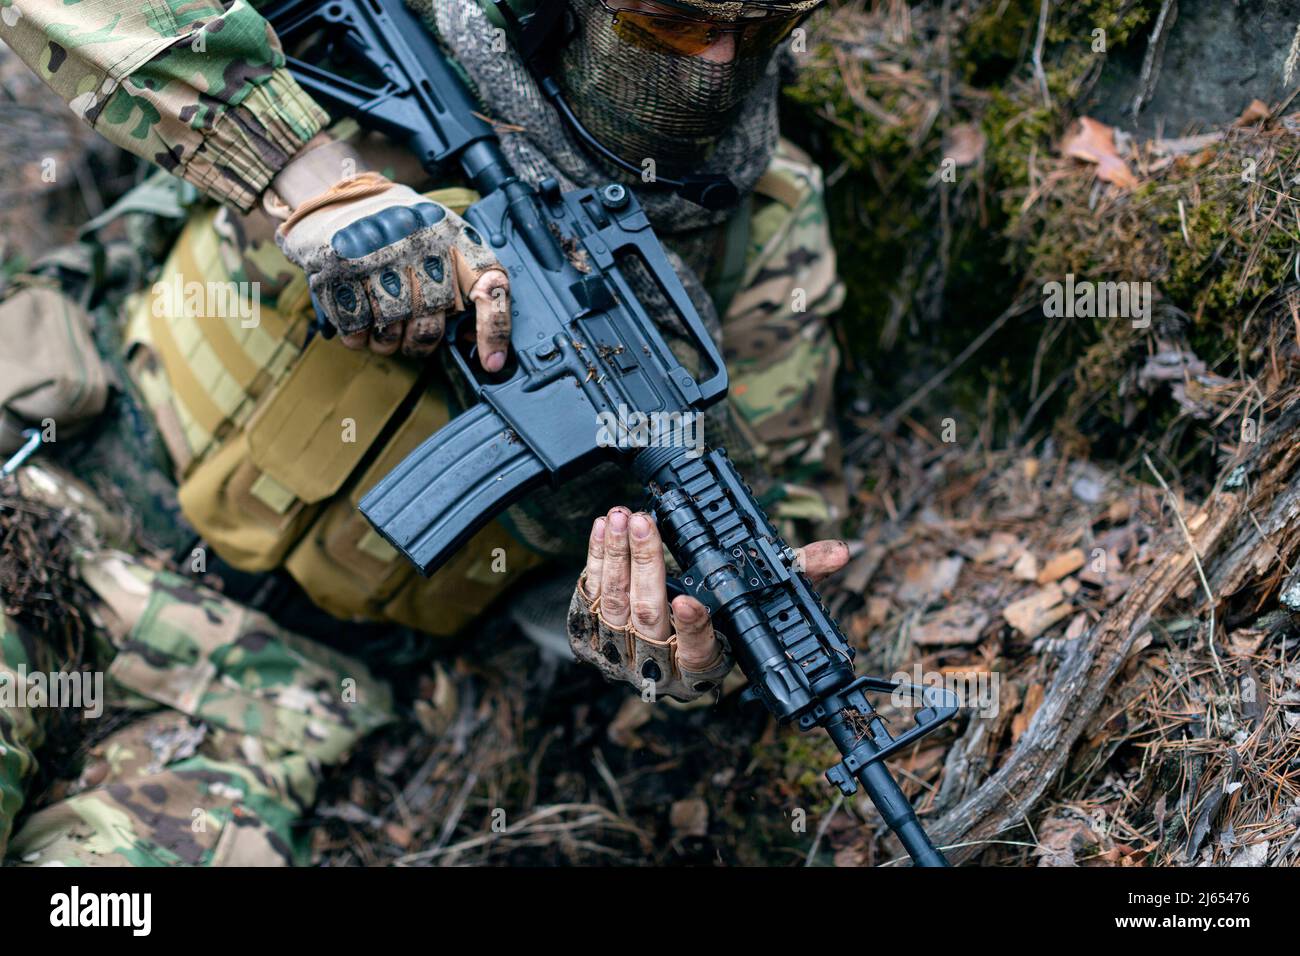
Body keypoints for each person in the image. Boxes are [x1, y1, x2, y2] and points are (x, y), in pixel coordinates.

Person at [0, 0, 852, 864]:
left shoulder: (769, 218)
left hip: (268, 696)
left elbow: (780, 510)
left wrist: (688, 634)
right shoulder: (404, 24)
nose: (713, 64)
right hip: (57, 506)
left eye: (759, 31)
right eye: (669, 22)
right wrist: (309, 177)